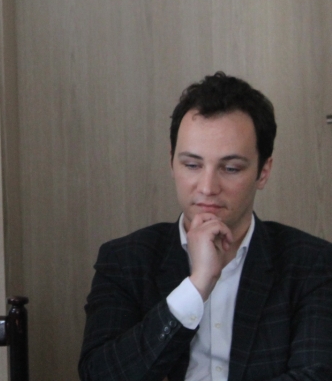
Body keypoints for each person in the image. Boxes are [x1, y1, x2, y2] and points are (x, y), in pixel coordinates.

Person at [79, 72, 332, 380]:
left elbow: (316, 374)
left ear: (263, 172)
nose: (208, 187)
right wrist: (196, 286)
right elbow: (100, 374)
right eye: (192, 165)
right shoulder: (125, 259)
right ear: (172, 162)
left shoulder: (313, 263)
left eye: (231, 168)